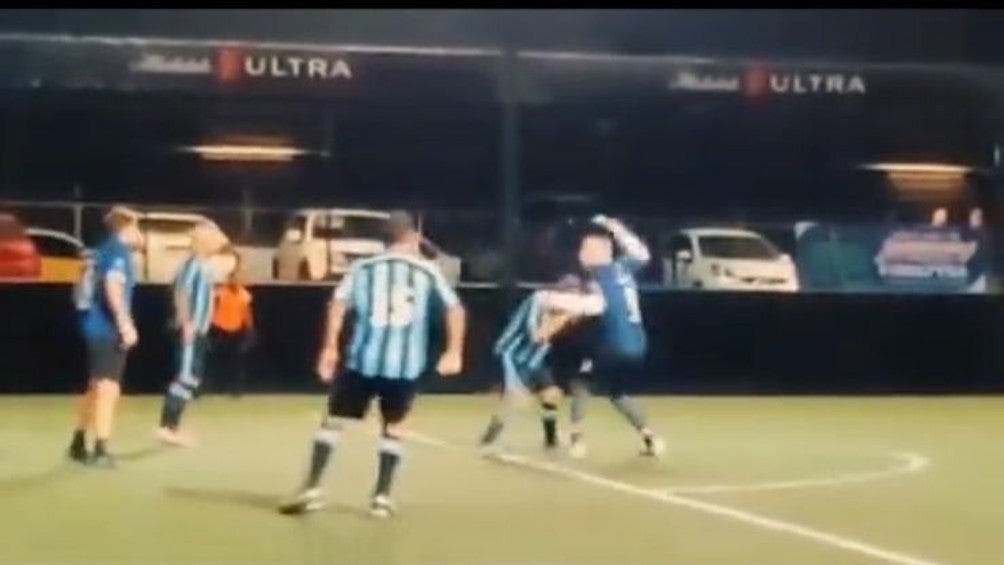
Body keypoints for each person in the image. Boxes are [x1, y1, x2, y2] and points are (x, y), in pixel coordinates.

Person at [279, 211, 466, 519]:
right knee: (394, 428)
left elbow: (338, 304)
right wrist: (454, 351)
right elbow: (454, 309)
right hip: (405, 365)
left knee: (334, 421)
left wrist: (329, 347)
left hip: (364, 360)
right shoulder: (427, 270)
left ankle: (312, 488)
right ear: (411, 237)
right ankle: (381, 497)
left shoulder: (362, 268)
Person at [566, 214, 665, 460]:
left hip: (615, 343)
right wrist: (615, 226)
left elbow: (588, 307)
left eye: (586, 249)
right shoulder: (623, 269)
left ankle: (576, 440)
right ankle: (650, 438)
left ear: (603, 251)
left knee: (582, 382)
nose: (581, 254)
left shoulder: (597, 277)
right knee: (617, 392)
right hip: (638, 344)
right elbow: (642, 254)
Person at [477, 275, 604, 454]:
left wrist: (568, 317)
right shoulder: (538, 301)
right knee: (515, 400)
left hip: (535, 358)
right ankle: (488, 441)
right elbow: (537, 335)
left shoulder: (565, 310)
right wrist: (560, 320)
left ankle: (550, 441)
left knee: (551, 395)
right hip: (513, 354)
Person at [67, 206, 142, 468]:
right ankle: (100, 448)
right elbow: (113, 287)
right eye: (137, 227)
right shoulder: (118, 252)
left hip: (92, 325)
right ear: (127, 226)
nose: (139, 233)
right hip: (106, 328)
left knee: (96, 385)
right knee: (109, 388)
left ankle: (78, 442)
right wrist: (125, 324)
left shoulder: (101, 251)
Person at [156, 222, 227, 447]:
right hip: (191, 329)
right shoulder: (193, 264)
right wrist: (186, 322)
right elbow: (182, 293)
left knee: (192, 377)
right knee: (185, 376)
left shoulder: (205, 265)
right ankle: (167, 427)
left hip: (200, 330)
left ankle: (172, 427)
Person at [208, 253, 255, 397]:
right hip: (219, 329)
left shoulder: (244, 295)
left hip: (236, 330)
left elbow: (246, 313)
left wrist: (250, 329)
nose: (236, 281)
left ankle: (236, 389)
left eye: (238, 278)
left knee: (236, 361)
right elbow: (212, 308)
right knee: (217, 359)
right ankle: (216, 387)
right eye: (233, 278)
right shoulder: (220, 292)